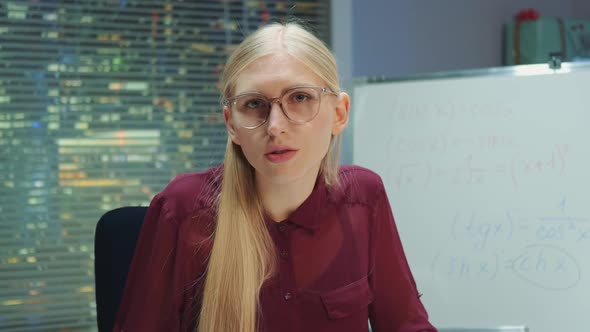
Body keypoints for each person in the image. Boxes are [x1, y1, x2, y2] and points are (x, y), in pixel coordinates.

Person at [113, 21, 436, 332]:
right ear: (231, 125)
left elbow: (407, 325)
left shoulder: (364, 198)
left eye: (299, 98)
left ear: (339, 113)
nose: (275, 126)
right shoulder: (182, 210)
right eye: (254, 104)